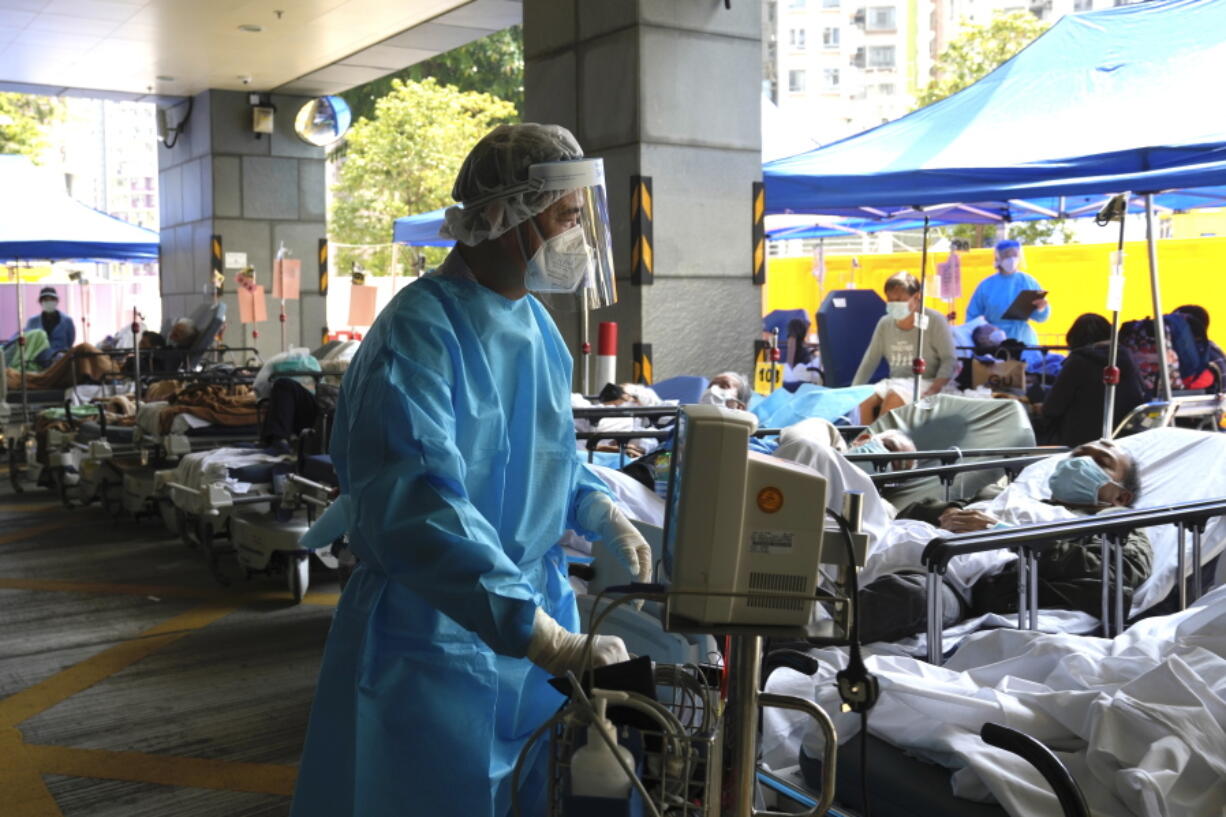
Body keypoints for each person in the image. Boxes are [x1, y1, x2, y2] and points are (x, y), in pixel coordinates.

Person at [290, 124, 650, 817]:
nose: (577, 237)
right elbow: (418, 507)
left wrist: (595, 506)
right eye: (566, 217)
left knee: (532, 793)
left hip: (529, 621)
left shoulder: (538, 328)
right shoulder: (416, 334)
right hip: (431, 635)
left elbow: (548, 456)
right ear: (508, 214)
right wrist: (543, 636)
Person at [852, 271, 956, 422]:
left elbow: (949, 360)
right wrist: (853, 391)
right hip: (895, 381)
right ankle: (863, 440)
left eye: (900, 300)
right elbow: (870, 360)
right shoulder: (885, 323)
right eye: (890, 300)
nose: (894, 304)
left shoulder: (935, 320)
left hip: (927, 382)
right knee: (864, 399)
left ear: (916, 297)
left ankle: (878, 441)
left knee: (893, 398)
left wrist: (934, 389)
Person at [1036, 312, 1145, 446]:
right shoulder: (1126, 357)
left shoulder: (1078, 361)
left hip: (1081, 441)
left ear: (1074, 339)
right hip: (1124, 438)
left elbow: (1052, 408)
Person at [966, 239, 1050, 353]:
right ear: (998, 257)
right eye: (1006, 255)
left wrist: (1041, 308)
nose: (1011, 259)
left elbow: (1041, 317)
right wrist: (985, 335)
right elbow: (972, 319)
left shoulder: (1028, 281)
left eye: (1015, 255)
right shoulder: (986, 286)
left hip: (1024, 341)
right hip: (994, 343)